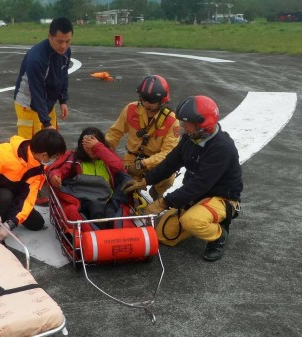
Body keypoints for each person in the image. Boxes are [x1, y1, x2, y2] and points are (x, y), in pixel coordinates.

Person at [122, 95, 243, 262]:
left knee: (192, 221)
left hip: (220, 197)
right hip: (196, 197)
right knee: (164, 236)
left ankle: (219, 236)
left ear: (202, 125)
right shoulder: (191, 138)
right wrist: (145, 180)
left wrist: (162, 203)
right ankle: (201, 220)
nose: (183, 127)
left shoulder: (222, 148)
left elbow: (198, 185)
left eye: (187, 123)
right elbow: (171, 162)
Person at [0, 129, 66, 241]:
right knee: (4, 197)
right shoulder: (1, 154)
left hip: (11, 194)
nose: (54, 161)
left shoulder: (37, 168)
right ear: (44, 155)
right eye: (54, 157)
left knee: (37, 224)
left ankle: (4, 217)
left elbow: (27, 198)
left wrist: (11, 223)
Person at [105, 75, 180, 200]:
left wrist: (143, 164)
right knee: (125, 190)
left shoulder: (172, 121)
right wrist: (105, 151)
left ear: (162, 100)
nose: (146, 104)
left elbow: (168, 153)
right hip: (131, 161)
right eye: (144, 99)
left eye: (151, 101)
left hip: (154, 164)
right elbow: (114, 133)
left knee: (168, 178)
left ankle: (156, 192)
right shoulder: (130, 109)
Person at [47, 127, 130, 230]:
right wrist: (55, 176)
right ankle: (100, 238)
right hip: (85, 200)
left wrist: (98, 148)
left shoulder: (107, 159)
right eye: (87, 145)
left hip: (108, 199)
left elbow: (119, 166)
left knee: (111, 213)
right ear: (82, 145)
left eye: (93, 145)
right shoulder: (75, 158)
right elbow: (59, 169)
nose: (91, 149)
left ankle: (111, 239)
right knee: (96, 209)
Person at [14, 17, 73, 138]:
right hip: (29, 105)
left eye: (68, 41)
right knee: (30, 148)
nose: (64, 46)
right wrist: (46, 122)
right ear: (49, 36)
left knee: (50, 144)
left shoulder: (66, 52)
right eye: (60, 41)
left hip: (47, 104)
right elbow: (37, 91)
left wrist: (63, 100)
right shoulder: (36, 59)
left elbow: (63, 75)